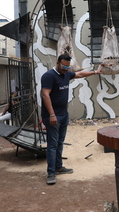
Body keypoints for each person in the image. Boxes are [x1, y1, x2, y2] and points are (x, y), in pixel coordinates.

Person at [41, 54, 102, 185]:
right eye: (63, 66)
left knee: (60, 142)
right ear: (57, 63)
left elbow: (79, 74)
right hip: (52, 116)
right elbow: (45, 94)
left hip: (64, 114)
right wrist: (52, 115)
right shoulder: (49, 76)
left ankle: (58, 166)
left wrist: (95, 72)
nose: (66, 69)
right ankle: (51, 173)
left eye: (68, 67)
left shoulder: (67, 74)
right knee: (52, 145)